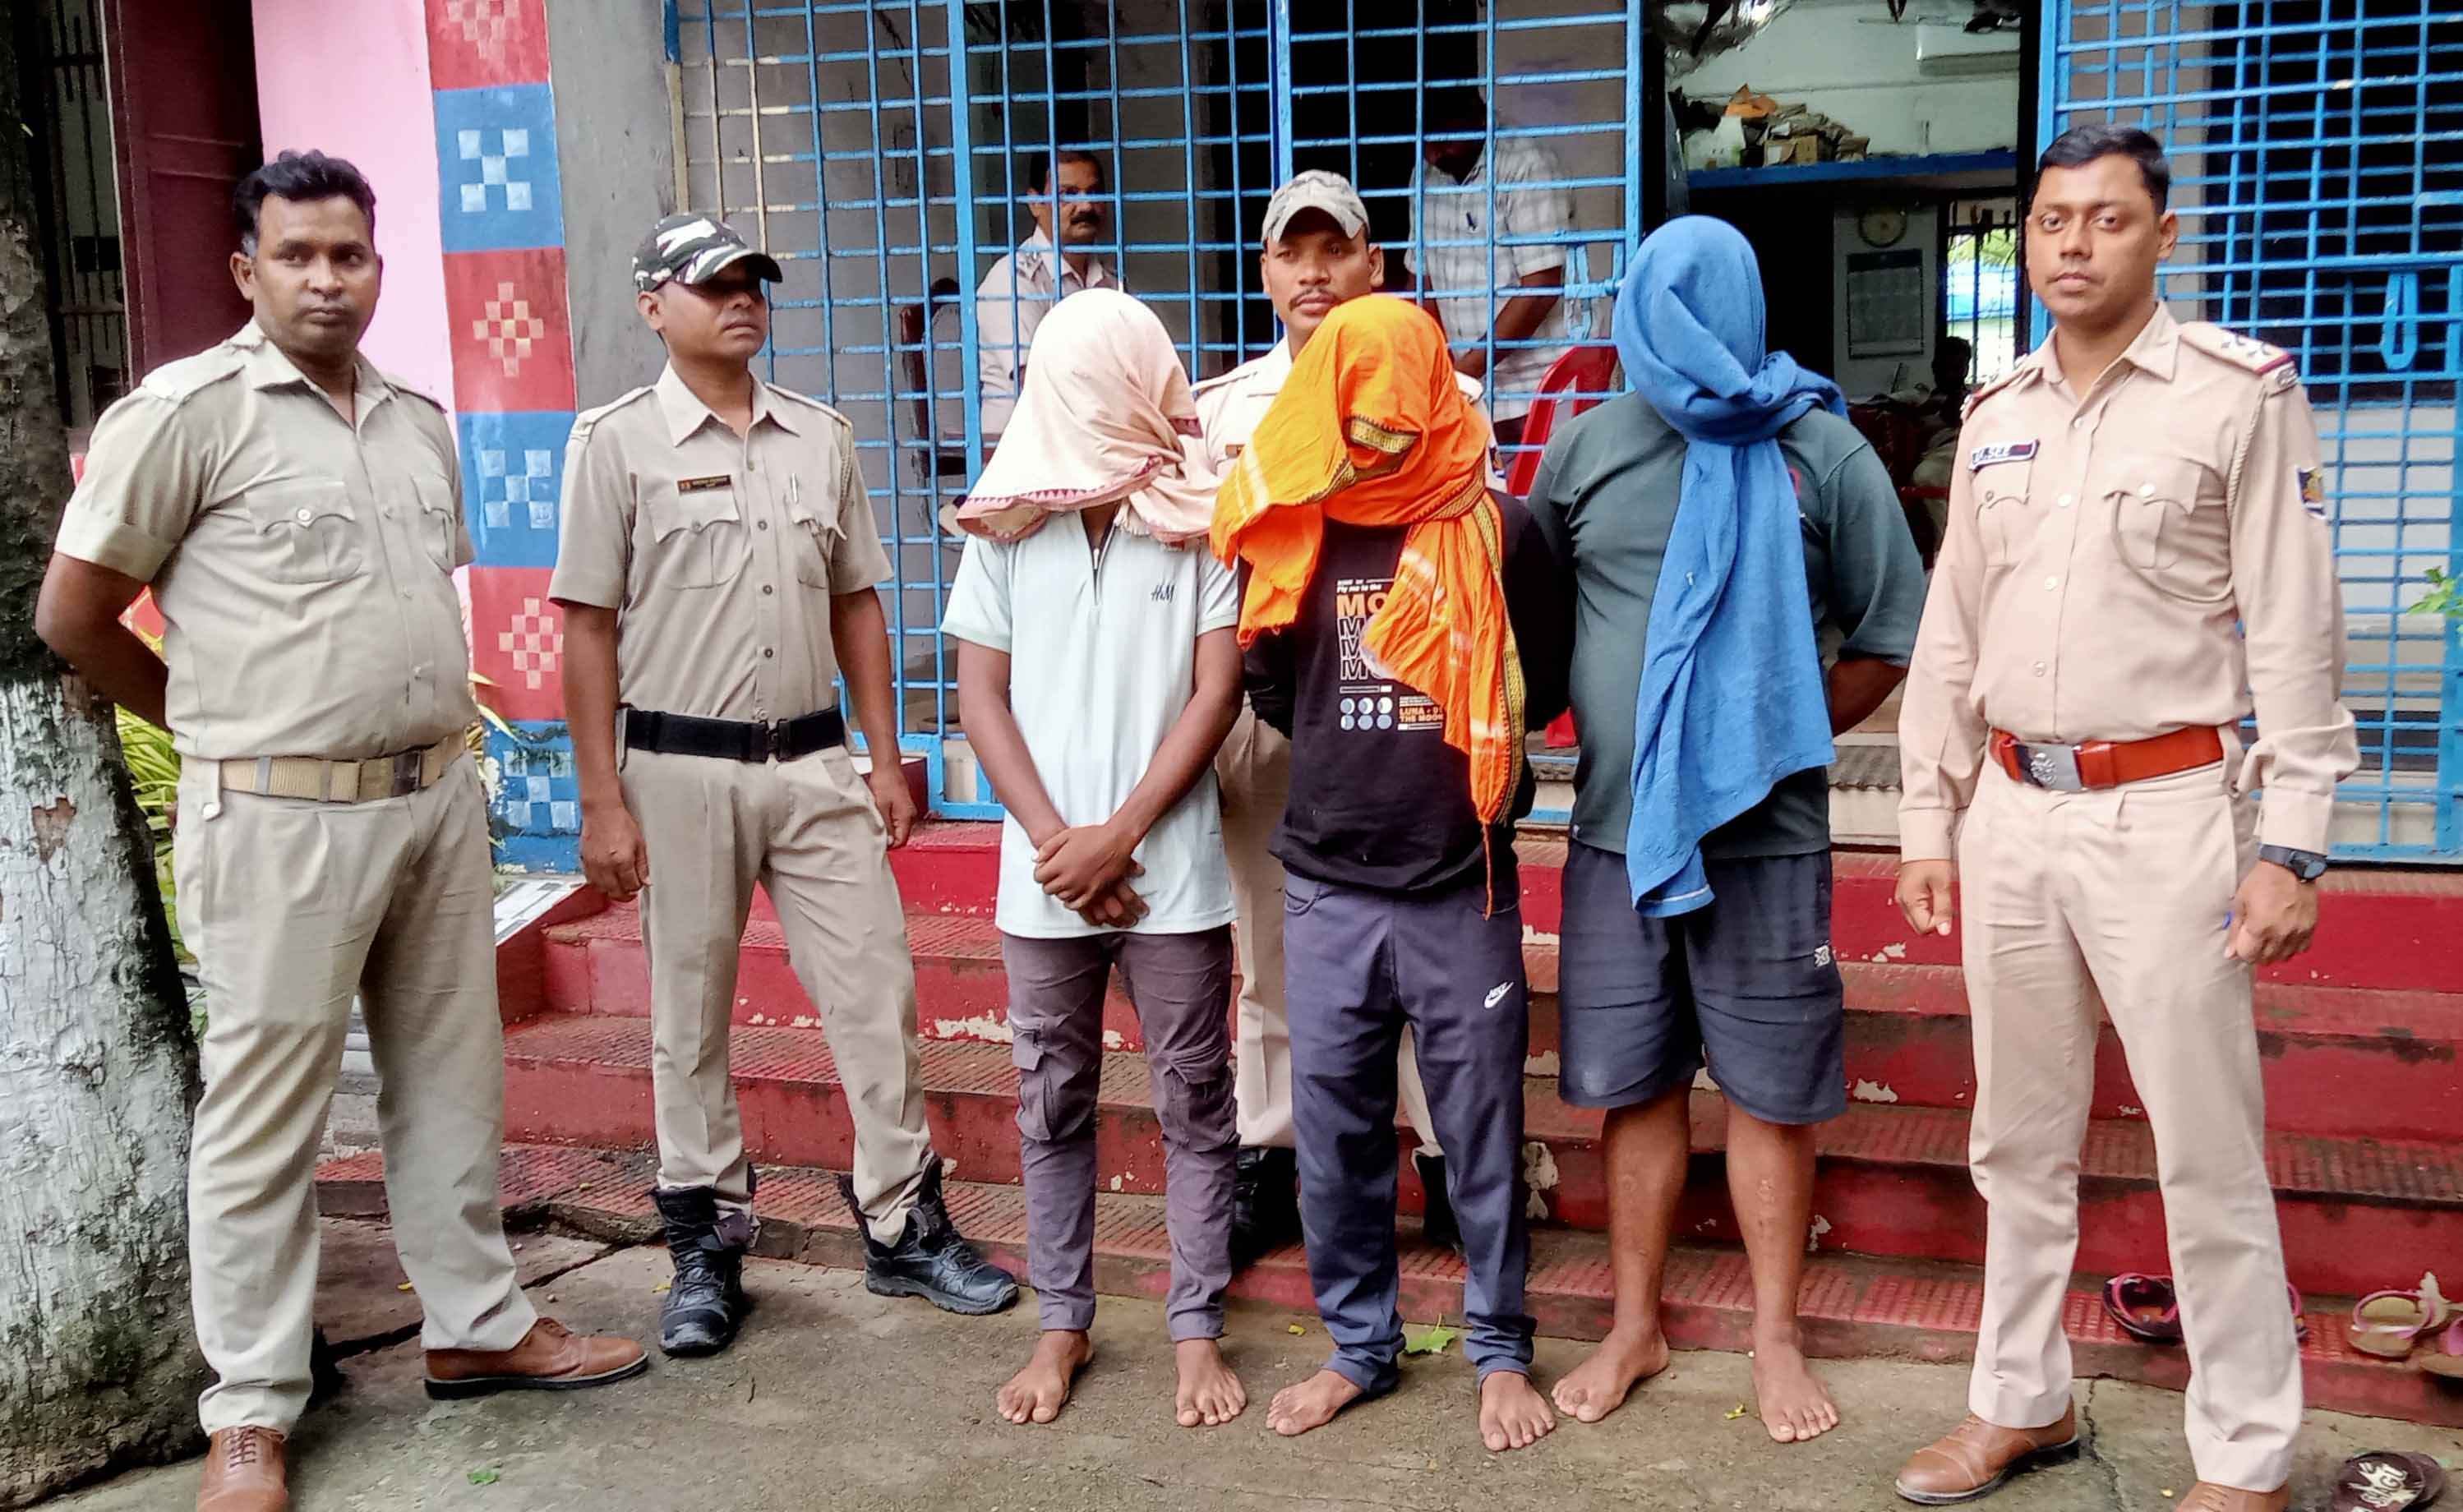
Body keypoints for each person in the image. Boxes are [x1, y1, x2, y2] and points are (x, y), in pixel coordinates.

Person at [35, 150, 646, 1512]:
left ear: (377, 266)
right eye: (297, 256)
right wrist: (204, 724)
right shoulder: (184, 416)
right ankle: (250, 1408)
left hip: (432, 802)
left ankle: (476, 1326)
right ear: (245, 270)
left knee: (450, 1082)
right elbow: (72, 616)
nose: (327, 280)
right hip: (276, 818)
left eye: (349, 255)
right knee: (265, 1114)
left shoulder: (416, 420)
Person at [1892, 125, 2356, 1511]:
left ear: (2162, 234)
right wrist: (1926, 817)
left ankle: (2247, 1455)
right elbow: (1951, 633)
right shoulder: (1997, 413)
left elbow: (2293, 624)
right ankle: (2018, 1402)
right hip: (2014, 816)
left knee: (2202, 1146)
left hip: (2168, 814)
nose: (2074, 243)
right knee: (2015, 1142)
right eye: (2051, 220)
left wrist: (2293, 839)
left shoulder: (2236, 395)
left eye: (2105, 218)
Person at [551, 213, 1017, 1360]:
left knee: (876, 988)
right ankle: (706, 1243)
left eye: (752, 282)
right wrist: (601, 798)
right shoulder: (614, 444)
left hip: (812, 763)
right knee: (689, 1014)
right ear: (653, 307)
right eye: (713, 284)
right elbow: (586, 628)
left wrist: (885, 753)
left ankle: (902, 1222)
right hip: (678, 770)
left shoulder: (821, 436)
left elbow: (857, 600)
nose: (741, 300)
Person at [1526, 217, 1926, 1445]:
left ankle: (1775, 1335)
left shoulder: (1818, 447)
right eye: (1668, 302)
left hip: (1771, 837)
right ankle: (1633, 1325)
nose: (1689, 328)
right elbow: (1538, 623)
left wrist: (1769, 728)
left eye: (1711, 302)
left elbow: (1889, 632)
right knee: (1635, 1088)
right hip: (1616, 833)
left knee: (1768, 1094)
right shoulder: (1587, 446)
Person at [1213, 293, 1571, 1454]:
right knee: (1334, 1135)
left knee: (1479, 1128)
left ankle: (1499, 1349)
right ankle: (1360, 1348)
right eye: (1352, 406)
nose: (1372, 430)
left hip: (1462, 881)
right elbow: (1269, 678)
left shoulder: (1502, 529)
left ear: (1429, 388)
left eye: (1392, 403)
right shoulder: (1296, 523)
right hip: (1328, 883)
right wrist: (1350, 753)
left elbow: (1542, 674)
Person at [941, 288, 1248, 1431]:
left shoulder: (1202, 516)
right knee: (1051, 1102)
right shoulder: (1005, 526)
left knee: (1195, 1101)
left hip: (1173, 873)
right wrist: (1056, 843)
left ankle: (1195, 1328)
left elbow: (1217, 692)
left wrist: (1117, 835)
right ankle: (1061, 1322)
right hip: (1043, 880)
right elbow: (981, 697)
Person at [1191, 169, 1487, 1269]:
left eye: (1335, 249)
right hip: (1277, 719)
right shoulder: (1224, 413)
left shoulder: (1446, 390)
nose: (1313, 273)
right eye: (1291, 253)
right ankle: (1271, 1156)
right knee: (1269, 948)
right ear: (1265, 272)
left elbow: (1478, 550)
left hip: (1412, 717)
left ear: (1375, 263)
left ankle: (1450, 1163)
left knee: (1427, 954)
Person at [1406, 85, 1578, 450]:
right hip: (1467, 391)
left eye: (1445, 140)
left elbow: (1541, 287)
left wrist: (1463, 373)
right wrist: (1434, 366)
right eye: (1426, 141)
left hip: (1536, 389)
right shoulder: (1428, 172)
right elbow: (1423, 281)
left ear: (1475, 113)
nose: (1434, 154)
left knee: (1538, 484)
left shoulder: (1526, 163)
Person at [974, 150, 1128, 433]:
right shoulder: (1013, 280)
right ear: (1035, 203)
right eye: (1068, 194)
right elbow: (1035, 384)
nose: (1086, 205)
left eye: (1093, 192)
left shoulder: (1108, 281)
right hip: (1020, 444)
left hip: (1090, 437)